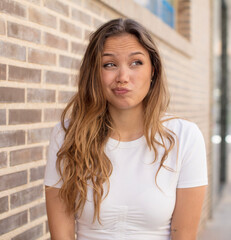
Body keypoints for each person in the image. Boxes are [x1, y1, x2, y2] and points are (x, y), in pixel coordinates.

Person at [44, 18, 208, 240]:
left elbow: (184, 235)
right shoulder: (67, 135)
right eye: (109, 64)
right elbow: (61, 235)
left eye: (136, 63)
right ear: (94, 73)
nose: (122, 77)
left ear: (153, 71)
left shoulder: (185, 137)